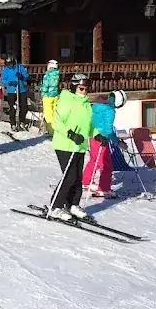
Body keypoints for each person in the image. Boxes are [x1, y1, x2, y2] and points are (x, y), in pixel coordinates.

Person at [49, 73, 94, 221]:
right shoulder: (67, 100)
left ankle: (73, 205)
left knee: (78, 178)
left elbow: (88, 125)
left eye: (87, 88)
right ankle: (55, 206)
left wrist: (97, 134)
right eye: (81, 88)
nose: (84, 91)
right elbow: (56, 121)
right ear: (74, 87)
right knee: (70, 177)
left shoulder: (86, 103)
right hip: (65, 144)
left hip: (79, 146)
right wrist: (70, 134)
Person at [82, 90, 127, 198]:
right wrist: (118, 142)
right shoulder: (109, 111)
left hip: (93, 137)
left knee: (94, 160)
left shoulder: (97, 106)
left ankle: (86, 182)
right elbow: (108, 131)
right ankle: (104, 189)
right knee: (106, 164)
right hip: (102, 139)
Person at [0, 55, 30, 130]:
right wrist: (9, 83)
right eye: (8, 64)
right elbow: (2, 80)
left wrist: (22, 77)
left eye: (10, 64)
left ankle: (22, 121)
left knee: (23, 107)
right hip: (12, 91)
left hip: (21, 90)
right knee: (12, 107)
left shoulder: (19, 68)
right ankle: (13, 123)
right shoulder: (6, 70)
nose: (9, 65)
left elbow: (26, 77)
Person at [40, 59, 61, 135]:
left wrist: (42, 90)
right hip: (55, 96)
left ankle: (51, 131)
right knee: (55, 113)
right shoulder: (57, 75)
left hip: (48, 97)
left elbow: (45, 87)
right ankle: (57, 128)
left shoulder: (47, 76)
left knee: (48, 114)